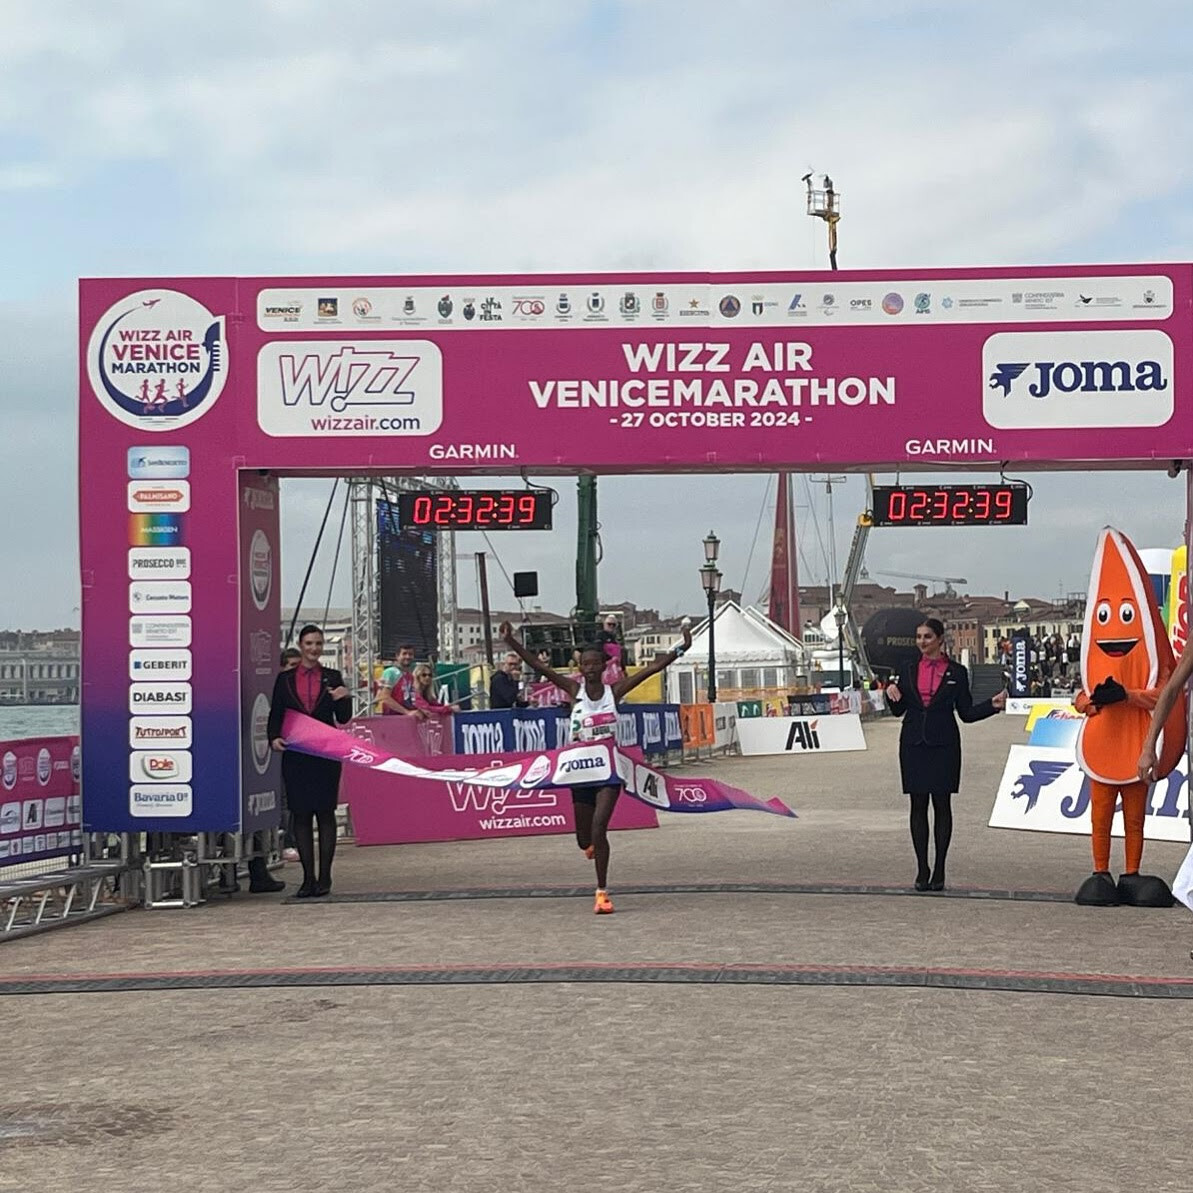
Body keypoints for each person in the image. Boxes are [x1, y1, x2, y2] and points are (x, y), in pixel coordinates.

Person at [500, 618, 692, 915]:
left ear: (604, 666)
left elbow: (652, 669)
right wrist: (511, 641)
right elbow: (539, 667)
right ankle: (590, 845)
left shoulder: (614, 692)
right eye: (585, 664)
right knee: (584, 838)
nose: (589, 668)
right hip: (579, 771)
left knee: (600, 826)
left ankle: (602, 892)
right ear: (580, 668)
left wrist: (682, 647)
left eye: (594, 663)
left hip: (608, 772)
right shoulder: (573, 689)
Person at [884, 618, 1006, 892]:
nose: (922, 642)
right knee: (917, 805)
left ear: (940, 639)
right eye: (919, 637)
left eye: (927, 636)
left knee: (942, 805)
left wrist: (992, 706)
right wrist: (889, 693)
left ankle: (939, 868)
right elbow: (898, 710)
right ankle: (922, 868)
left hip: (944, 745)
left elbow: (966, 713)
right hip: (913, 744)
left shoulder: (957, 672)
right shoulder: (907, 668)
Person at [267, 624, 353, 898]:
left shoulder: (332, 676)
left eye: (318, 644)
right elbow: (276, 712)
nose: (314, 649)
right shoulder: (285, 679)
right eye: (309, 644)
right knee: (301, 814)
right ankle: (307, 878)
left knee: (325, 813)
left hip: (325, 754)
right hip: (297, 754)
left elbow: (344, 718)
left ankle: (325, 877)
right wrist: (273, 737)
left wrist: (344, 698)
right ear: (301, 645)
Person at [377, 644, 424, 718]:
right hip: (392, 718)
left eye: (410, 654)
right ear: (397, 656)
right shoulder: (391, 672)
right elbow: (385, 697)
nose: (407, 657)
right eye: (404, 654)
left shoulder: (410, 676)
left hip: (406, 718)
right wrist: (407, 712)